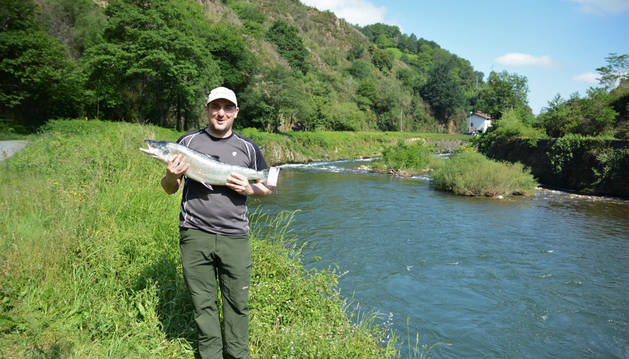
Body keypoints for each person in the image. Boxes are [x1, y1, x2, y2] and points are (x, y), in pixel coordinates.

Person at [160, 86, 273, 359]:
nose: (220, 113)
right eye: (215, 107)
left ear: (235, 112)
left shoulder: (248, 147)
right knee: (203, 304)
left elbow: (267, 186)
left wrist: (249, 190)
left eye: (226, 108)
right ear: (207, 110)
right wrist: (172, 175)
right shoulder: (185, 144)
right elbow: (169, 189)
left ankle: (237, 356)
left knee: (238, 304)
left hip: (235, 236)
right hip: (194, 234)